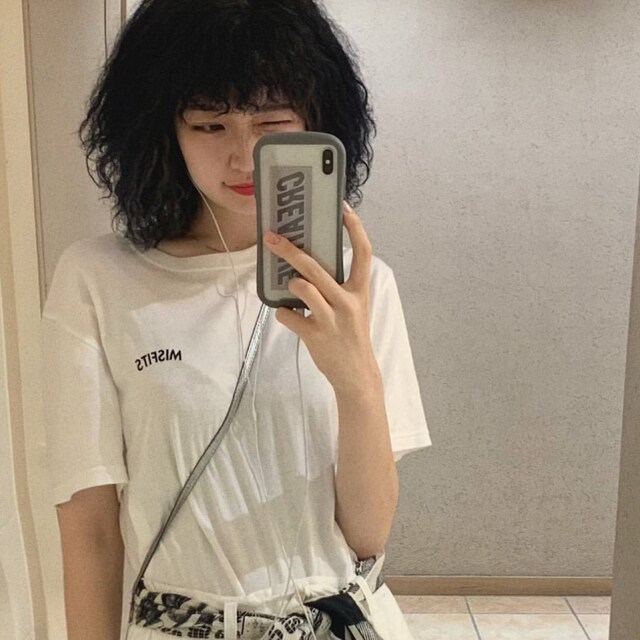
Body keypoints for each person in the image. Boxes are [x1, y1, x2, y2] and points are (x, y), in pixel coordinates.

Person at [39, 1, 432, 638]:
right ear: (161, 128)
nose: (244, 157)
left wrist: (355, 378)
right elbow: (89, 527)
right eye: (210, 125)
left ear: (316, 122)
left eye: (272, 122)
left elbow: (367, 534)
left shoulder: (359, 287)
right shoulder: (97, 280)